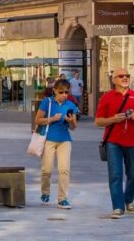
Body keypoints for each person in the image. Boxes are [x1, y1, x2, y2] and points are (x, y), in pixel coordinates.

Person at [95, 67, 134, 218]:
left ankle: (128, 200)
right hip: (113, 141)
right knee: (115, 175)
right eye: (121, 76)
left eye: (127, 75)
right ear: (114, 80)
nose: (125, 78)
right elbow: (98, 122)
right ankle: (118, 207)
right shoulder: (107, 97)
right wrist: (113, 119)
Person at [35, 77, 78, 209]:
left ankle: (62, 199)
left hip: (64, 140)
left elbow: (73, 127)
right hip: (48, 139)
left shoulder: (71, 105)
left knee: (64, 170)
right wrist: (52, 118)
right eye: (61, 92)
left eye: (66, 92)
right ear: (54, 91)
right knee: (47, 170)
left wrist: (71, 121)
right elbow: (38, 120)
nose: (64, 95)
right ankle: (45, 192)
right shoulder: (46, 102)